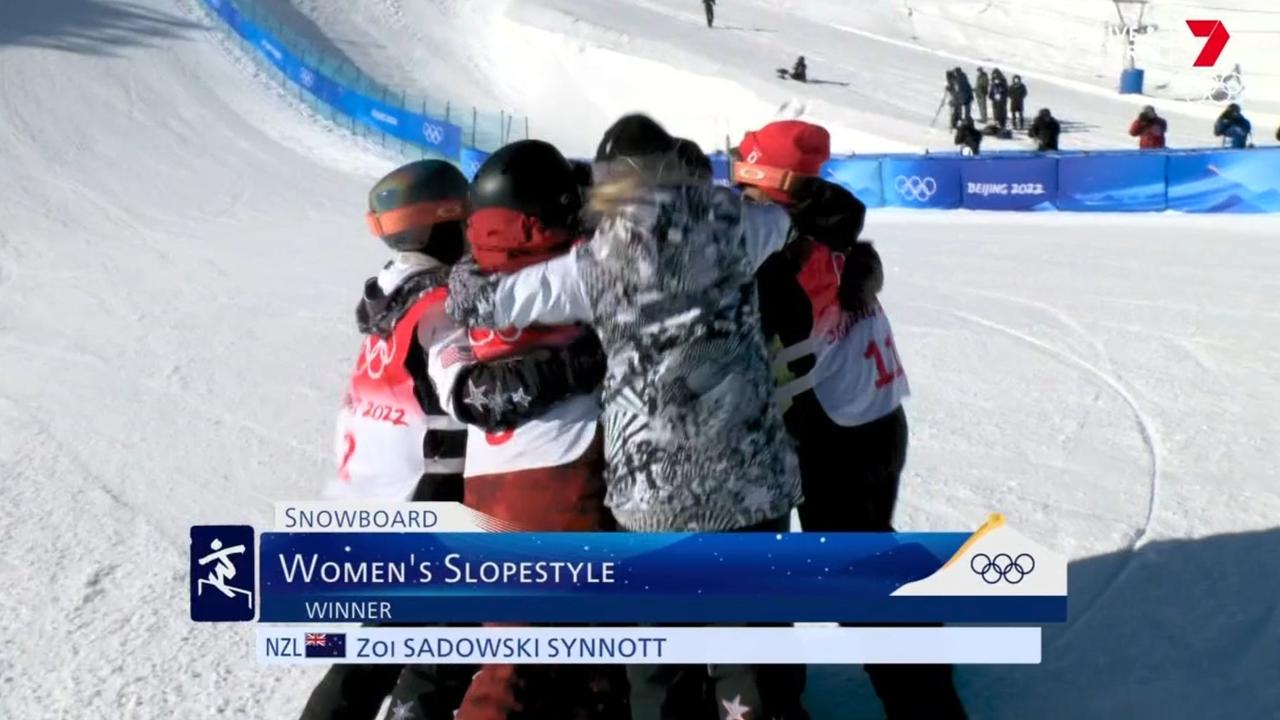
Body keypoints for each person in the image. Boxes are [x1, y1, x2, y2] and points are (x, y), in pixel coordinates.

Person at [444, 113, 856, 720]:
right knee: (753, 653)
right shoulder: (735, 223)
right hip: (749, 484)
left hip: (652, 496)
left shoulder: (596, 260)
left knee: (660, 666)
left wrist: (459, 270)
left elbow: (484, 301)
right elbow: (800, 221)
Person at [738, 119, 968, 720]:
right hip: (871, 417)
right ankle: (921, 694)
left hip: (834, 430)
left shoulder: (787, 251)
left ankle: (921, 703)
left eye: (746, 172)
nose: (739, 188)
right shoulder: (825, 226)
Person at [420, 139, 625, 720]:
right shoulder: (579, 269)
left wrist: (464, 382)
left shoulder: (475, 272)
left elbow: (447, 354)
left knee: (572, 649)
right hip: (560, 477)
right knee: (524, 656)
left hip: (490, 479)